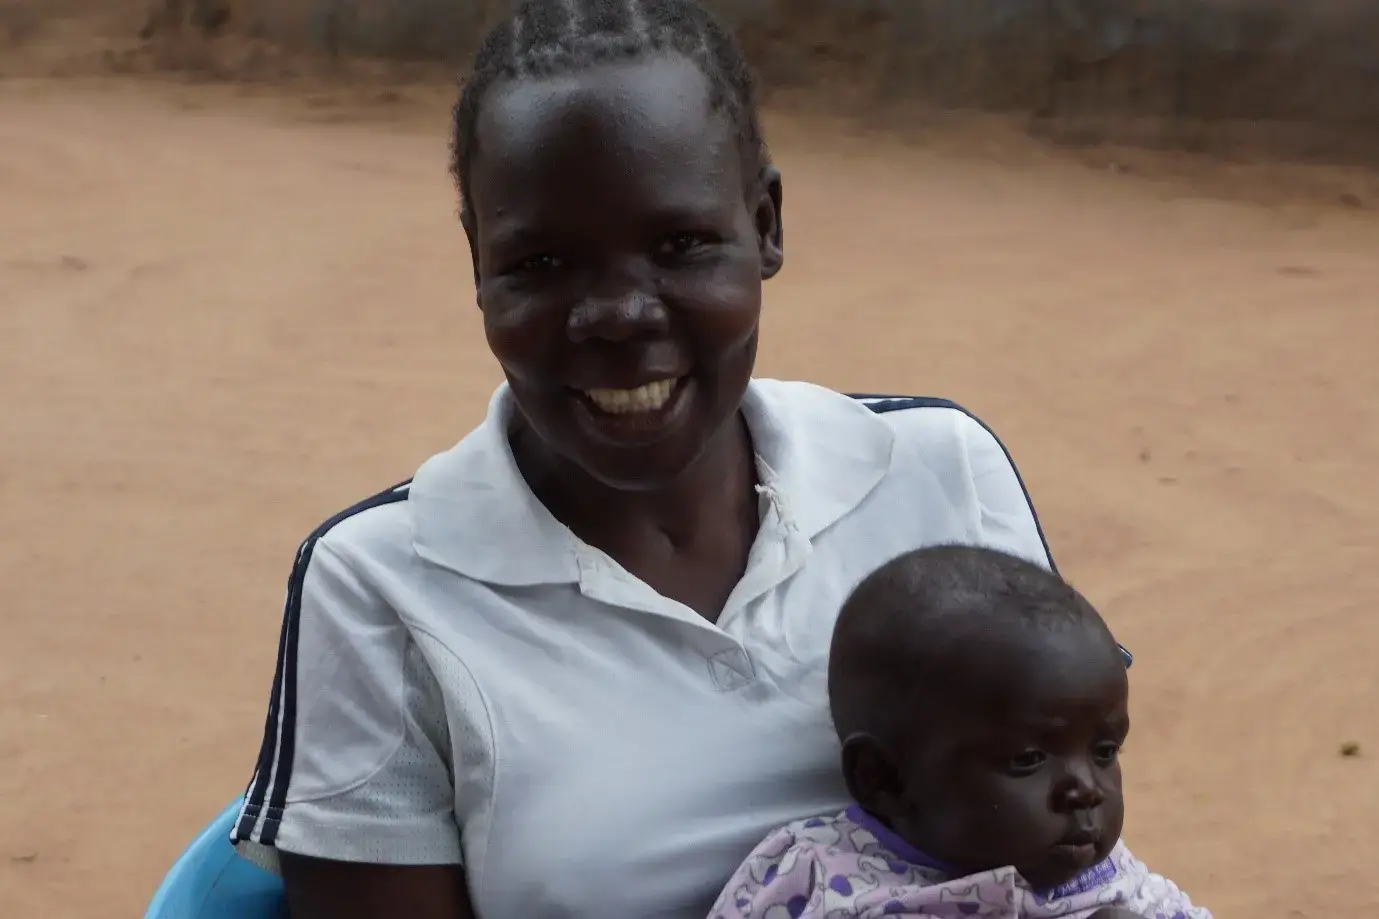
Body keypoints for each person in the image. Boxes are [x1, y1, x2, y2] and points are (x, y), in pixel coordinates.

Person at [227, 2, 1121, 917]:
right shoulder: (384, 584)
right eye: (540, 261)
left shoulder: (934, 471)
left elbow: (1071, 857)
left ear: (765, 226)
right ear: (478, 267)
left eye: (679, 245)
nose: (618, 314)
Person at [710, 545, 1206, 919]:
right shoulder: (811, 877)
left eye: (1103, 751)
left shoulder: (1114, 882)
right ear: (884, 779)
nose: (1085, 789)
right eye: (1028, 759)